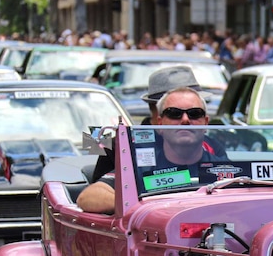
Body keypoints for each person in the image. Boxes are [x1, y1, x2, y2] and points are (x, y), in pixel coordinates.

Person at [77, 87, 219, 213]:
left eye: (194, 113)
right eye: (174, 113)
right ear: (160, 123)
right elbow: (88, 197)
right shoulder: (138, 168)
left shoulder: (228, 169)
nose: (185, 119)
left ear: (206, 122)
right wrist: (141, 208)